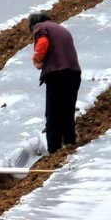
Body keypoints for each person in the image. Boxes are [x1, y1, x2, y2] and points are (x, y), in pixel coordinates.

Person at [29, 11, 81, 154]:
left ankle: (54, 150)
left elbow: (43, 43)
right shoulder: (61, 29)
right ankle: (70, 144)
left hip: (58, 73)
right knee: (67, 111)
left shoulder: (41, 28)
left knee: (53, 112)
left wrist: (37, 59)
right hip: (74, 72)